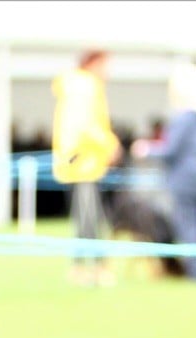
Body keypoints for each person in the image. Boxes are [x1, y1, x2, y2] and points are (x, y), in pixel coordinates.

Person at [132, 65, 196, 281]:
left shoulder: (183, 118)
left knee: (191, 229)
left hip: (188, 181)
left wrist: (146, 150)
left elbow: (170, 150)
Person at [51, 50, 122, 287]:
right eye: (106, 65)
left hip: (80, 163)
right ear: (93, 63)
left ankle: (86, 268)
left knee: (87, 218)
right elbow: (86, 125)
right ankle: (89, 268)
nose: (108, 71)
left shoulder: (75, 86)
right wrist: (110, 144)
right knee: (89, 219)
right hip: (84, 163)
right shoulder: (85, 86)